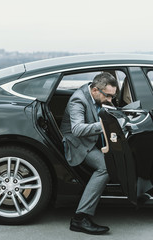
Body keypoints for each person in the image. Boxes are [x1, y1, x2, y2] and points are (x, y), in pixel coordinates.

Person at [60, 72, 118, 235]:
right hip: (77, 144)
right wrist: (106, 124)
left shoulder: (98, 95)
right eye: (108, 96)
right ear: (95, 91)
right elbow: (77, 130)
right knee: (106, 167)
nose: (110, 100)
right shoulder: (78, 100)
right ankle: (80, 218)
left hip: (93, 139)